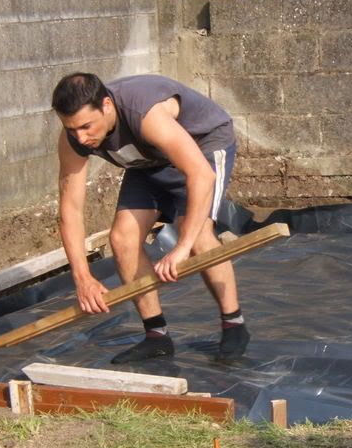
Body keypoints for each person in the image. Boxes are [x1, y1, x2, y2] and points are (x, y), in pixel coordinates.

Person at [51, 73, 249, 364]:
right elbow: (70, 210)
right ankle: (157, 336)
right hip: (150, 161)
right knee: (121, 238)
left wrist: (181, 247)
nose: (81, 137)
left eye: (86, 126)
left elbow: (201, 175)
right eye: (72, 129)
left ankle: (234, 324)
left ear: (107, 106)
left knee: (198, 235)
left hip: (203, 146)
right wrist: (83, 278)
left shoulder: (144, 112)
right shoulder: (74, 140)